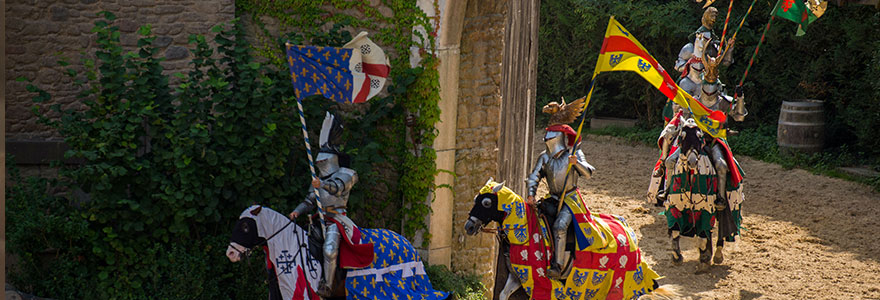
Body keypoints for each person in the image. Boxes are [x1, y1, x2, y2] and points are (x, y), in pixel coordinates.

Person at [289, 112, 359, 296]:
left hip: (337, 219)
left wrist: (322, 185)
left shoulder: (347, 173)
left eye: (323, 159)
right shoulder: (318, 179)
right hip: (318, 220)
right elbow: (309, 201)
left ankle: (327, 286)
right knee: (302, 246)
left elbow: (337, 189)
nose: (320, 162)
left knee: (329, 250)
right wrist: (296, 212)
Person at [525, 97, 595, 279]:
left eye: (551, 136)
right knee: (536, 221)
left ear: (560, 137)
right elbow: (534, 177)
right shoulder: (544, 157)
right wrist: (531, 194)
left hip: (570, 200)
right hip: (553, 197)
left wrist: (576, 164)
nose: (548, 140)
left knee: (559, 226)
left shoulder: (574, 153)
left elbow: (588, 173)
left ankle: (558, 266)